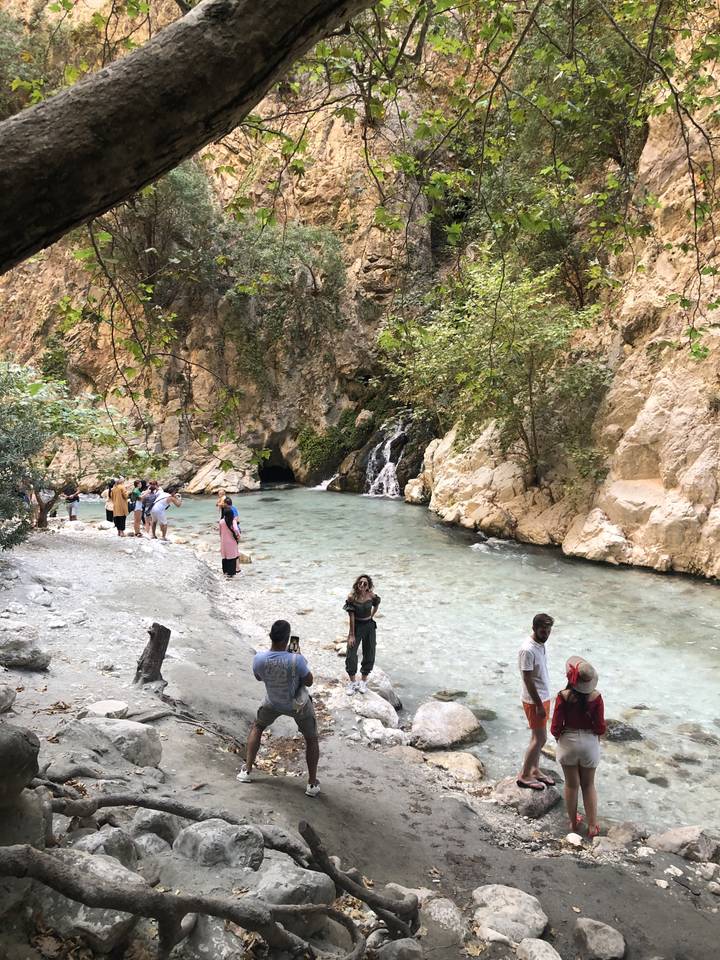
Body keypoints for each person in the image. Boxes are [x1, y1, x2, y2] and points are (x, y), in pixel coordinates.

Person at [237, 619, 320, 797]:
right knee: (311, 738)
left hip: (272, 702)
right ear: (288, 639)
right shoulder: (296, 660)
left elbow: (259, 678)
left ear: (271, 637)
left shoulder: (259, 659)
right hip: (297, 705)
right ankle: (312, 783)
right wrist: (298, 657)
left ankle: (247, 770)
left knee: (258, 727)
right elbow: (309, 681)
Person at [551, 656, 606, 837]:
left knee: (572, 785)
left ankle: (574, 823)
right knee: (588, 785)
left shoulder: (563, 696)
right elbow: (600, 727)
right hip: (589, 744)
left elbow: (555, 727)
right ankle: (592, 826)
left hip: (568, 742)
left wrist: (561, 737)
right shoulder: (597, 698)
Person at [517, 612, 556, 791]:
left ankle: (534, 769)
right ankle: (524, 776)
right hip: (534, 700)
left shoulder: (540, 644)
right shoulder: (528, 649)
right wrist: (539, 704)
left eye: (548, 631)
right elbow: (527, 679)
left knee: (538, 737)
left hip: (543, 697)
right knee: (540, 738)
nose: (546, 635)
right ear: (534, 629)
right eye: (543, 631)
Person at [343, 574, 381, 696]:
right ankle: (353, 682)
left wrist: (372, 615)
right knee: (351, 652)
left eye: (365, 583)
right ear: (357, 584)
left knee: (369, 651)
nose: (362, 585)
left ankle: (363, 681)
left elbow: (377, 603)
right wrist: (352, 635)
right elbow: (351, 617)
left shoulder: (371, 595)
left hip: (369, 626)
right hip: (357, 626)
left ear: (368, 586)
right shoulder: (352, 597)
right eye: (360, 583)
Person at [219, 506, 241, 577]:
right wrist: (238, 536)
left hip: (224, 541)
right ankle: (231, 574)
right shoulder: (233, 521)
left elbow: (220, 532)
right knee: (232, 557)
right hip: (232, 542)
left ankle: (225, 572)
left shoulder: (221, 522)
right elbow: (236, 530)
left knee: (225, 556)